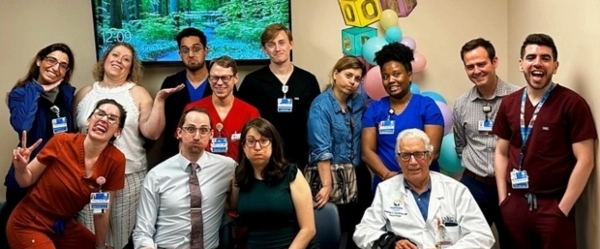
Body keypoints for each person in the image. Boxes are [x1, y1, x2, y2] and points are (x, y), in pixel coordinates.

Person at [74, 42, 183, 249]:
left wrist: (159, 100)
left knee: (123, 237)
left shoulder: (139, 93)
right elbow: (74, 135)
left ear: (131, 68)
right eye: (115, 55)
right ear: (105, 59)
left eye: (126, 59)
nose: (119, 61)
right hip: (87, 177)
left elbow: (152, 132)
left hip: (129, 176)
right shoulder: (83, 94)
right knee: (89, 236)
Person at [493, 33, 597, 249]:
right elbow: (501, 152)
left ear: (555, 66)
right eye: (531, 57)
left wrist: (563, 208)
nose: (537, 63)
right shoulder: (509, 104)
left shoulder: (572, 104)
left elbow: (586, 160)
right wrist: (504, 200)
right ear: (521, 64)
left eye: (545, 58)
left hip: (554, 205)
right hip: (516, 203)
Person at [7, 99, 127, 249]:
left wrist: (100, 246)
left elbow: (102, 209)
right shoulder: (62, 141)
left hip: (62, 226)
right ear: (89, 121)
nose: (103, 119)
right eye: (100, 114)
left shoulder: (116, 160)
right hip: (29, 222)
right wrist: (21, 169)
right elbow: (26, 180)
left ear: (118, 131)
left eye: (112, 118)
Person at [353, 129, 495, 249]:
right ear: (398, 160)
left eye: (419, 154)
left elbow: (482, 236)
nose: (413, 162)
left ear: (429, 157)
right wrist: (391, 242)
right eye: (406, 155)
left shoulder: (456, 190)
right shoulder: (385, 190)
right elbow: (362, 232)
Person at [0, 43, 77, 249]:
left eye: (63, 65)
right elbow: (22, 126)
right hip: (27, 175)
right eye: (51, 60)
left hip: (57, 177)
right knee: (19, 235)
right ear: (39, 61)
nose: (56, 67)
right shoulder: (20, 93)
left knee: (53, 234)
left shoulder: (67, 93)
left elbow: (71, 133)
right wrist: (37, 89)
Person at [133, 107, 236, 249]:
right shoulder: (157, 175)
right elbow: (143, 231)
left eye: (204, 130)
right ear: (179, 132)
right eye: (191, 129)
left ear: (211, 134)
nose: (197, 136)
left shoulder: (227, 167)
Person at [452, 38, 519, 248]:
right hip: (474, 186)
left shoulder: (518, 98)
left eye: (481, 64)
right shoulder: (462, 104)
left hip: (511, 186)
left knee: (513, 240)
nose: (476, 71)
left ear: (495, 62)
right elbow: (460, 144)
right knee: (469, 242)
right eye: (470, 66)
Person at [306, 55, 370, 248]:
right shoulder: (320, 106)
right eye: (348, 75)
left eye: (357, 79)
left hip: (358, 174)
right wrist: (326, 185)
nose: (352, 82)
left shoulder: (359, 102)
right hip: (332, 175)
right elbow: (321, 149)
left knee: (359, 230)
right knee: (336, 230)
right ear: (335, 74)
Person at [361, 42, 444, 193]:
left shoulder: (427, 106)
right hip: (386, 185)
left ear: (410, 75)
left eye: (396, 74)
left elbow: (433, 150)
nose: (391, 80)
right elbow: (367, 151)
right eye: (385, 76)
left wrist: (408, 180)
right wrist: (388, 176)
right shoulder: (375, 108)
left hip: (422, 185)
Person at [236, 23, 321, 170]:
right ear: (264, 49)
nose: (277, 49)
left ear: (291, 44)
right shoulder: (252, 81)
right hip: (263, 157)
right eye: (271, 44)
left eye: (282, 43)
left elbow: (317, 121)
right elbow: (244, 121)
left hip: (299, 156)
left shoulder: (307, 80)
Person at [232, 118, 318, 249]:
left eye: (263, 141)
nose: (257, 147)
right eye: (251, 141)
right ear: (243, 147)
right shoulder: (239, 178)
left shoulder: (291, 174)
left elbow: (308, 229)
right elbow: (230, 206)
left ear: (273, 144)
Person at [184, 55, 260, 161]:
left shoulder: (250, 112)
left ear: (235, 78)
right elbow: (184, 149)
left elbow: (256, 150)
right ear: (209, 79)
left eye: (225, 78)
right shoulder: (192, 110)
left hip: (239, 173)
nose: (219, 83)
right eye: (215, 78)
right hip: (204, 174)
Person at [161, 28, 214, 162]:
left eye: (196, 49)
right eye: (185, 50)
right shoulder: (171, 83)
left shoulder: (220, 83)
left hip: (213, 156)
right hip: (176, 156)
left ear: (205, 51)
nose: (190, 54)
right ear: (179, 54)